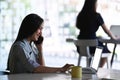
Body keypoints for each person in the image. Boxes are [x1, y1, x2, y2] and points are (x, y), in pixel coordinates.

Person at [7, 13, 74, 74]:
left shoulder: (32, 46)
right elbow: (36, 69)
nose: (41, 33)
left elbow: (42, 69)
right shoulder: (19, 47)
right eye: (39, 29)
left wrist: (40, 49)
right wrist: (61, 69)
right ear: (31, 28)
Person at [76, 0, 118, 67]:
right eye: (96, 3)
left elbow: (80, 28)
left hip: (80, 46)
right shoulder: (96, 16)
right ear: (94, 5)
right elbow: (106, 31)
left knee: (98, 46)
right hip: (93, 47)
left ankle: (92, 68)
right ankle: (96, 68)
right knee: (104, 50)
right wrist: (114, 37)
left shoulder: (80, 15)